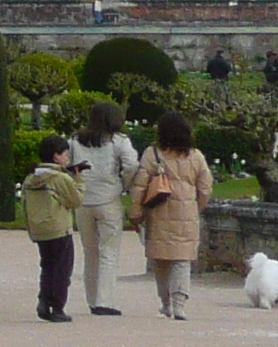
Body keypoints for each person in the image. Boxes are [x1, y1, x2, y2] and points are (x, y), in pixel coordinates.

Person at [129, 114, 215, 320]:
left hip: (158, 211)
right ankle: (179, 304)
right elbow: (205, 187)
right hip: (186, 213)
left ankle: (165, 303)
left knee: (161, 261)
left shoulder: (153, 154)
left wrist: (135, 212)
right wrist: (196, 207)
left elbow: (140, 185)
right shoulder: (196, 156)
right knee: (182, 261)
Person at [71, 100, 144, 316]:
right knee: (108, 252)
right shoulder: (118, 141)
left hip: (83, 201)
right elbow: (132, 164)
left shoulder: (76, 140)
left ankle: (92, 299)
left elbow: (69, 166)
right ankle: (104, 300)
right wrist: (124, 183)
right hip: (108, 200)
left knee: (90, 252)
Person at [21, 134, 83, 323]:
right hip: (58, 228)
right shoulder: (60, 178)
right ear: (56, 156)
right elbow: (75, 200)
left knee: (47, 266)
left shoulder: (31, 178)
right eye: (65, 155)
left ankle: (43, 300)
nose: (67, 159)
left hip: (39, 229)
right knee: (62, 269)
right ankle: (57, 307)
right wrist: (79, 180)